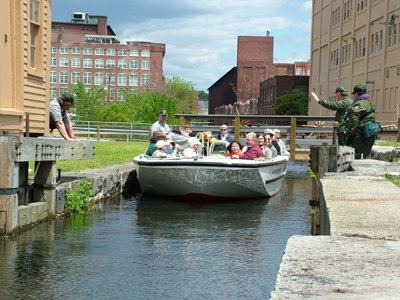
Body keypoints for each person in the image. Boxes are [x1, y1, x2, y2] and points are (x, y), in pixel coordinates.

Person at [344, 84, 376, 159]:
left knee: (357, 158)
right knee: (367, 157)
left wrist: (349, 135)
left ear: (357, 93)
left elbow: (353, 121)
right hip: (370, 134)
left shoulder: (358, 104)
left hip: (360, 136)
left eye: (355, 94)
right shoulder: (371, 104)